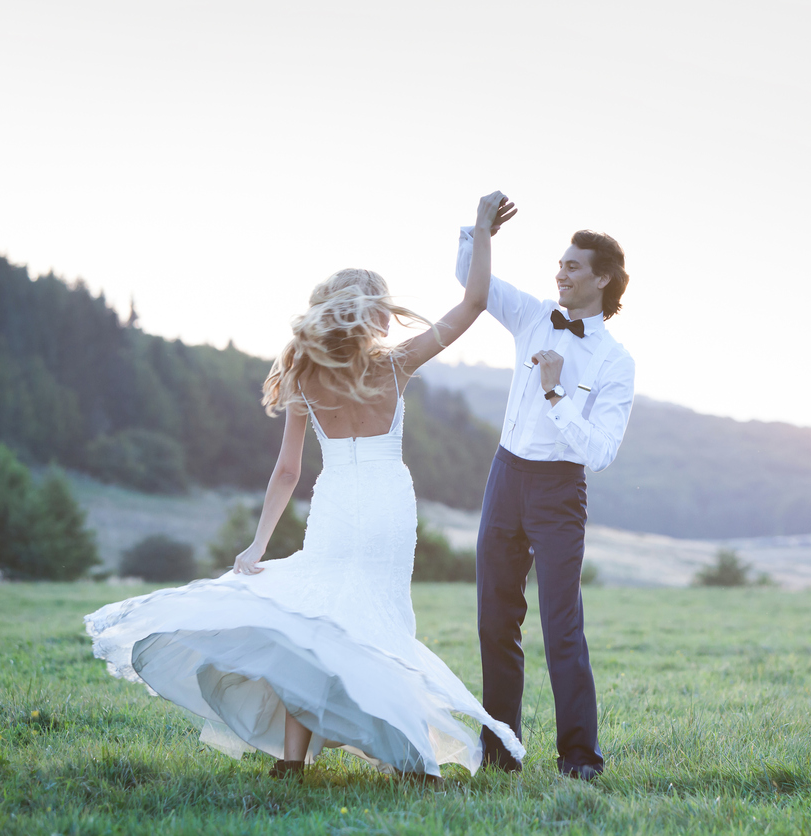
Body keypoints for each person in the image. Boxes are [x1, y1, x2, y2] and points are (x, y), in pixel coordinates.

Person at [85, 192, 524, 780]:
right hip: (389, 506)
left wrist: (257, 546)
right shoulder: (394, 365)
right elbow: (473, 302)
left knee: (314, 625)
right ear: (371, 312)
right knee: (382, 623)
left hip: (336, 506)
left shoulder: (302, 375)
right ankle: (412, 762)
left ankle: (294, 761)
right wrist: (481, 232)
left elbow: (287, 471)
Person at [454, 215, 636, 780]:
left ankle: (580, 758)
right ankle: (501, 751)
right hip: (506, 477)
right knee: (494, 621)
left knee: (562, 627)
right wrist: (480, 228)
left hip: (560, 490)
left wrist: (556, 394)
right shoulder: (533, 315)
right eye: (559, 264)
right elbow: (473, 282)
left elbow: (601, 452)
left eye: (572, 266)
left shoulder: (615, 361)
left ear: (602, 280)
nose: (560, 273)